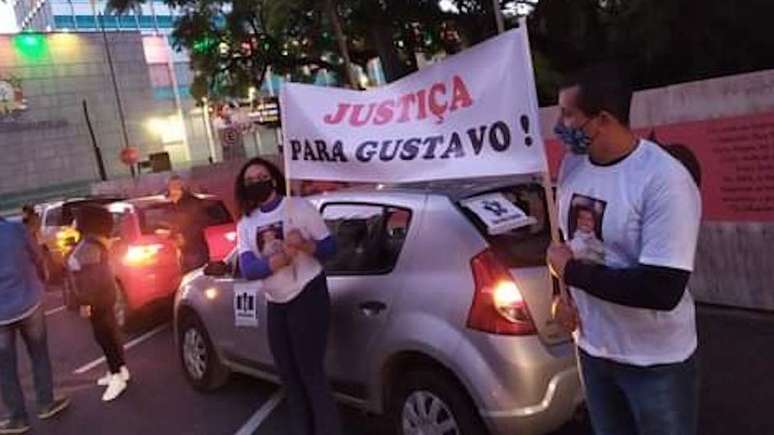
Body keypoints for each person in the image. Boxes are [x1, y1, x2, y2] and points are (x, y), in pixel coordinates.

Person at [547, 64, 702, 435]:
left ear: (602, 119)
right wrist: (561, 294)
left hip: (655, 362)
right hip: (592, 350)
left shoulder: (664, 180)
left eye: (568, 114)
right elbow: (569, 247)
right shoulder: (572, 166)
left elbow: (661, 289)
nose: (560, 123)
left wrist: (570, 273)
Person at [234, 157, 340, 435]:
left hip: (307, 295)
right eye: (249, 180)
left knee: (311, 374)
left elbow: (330, 249)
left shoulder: (299, 208)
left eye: (261, 176)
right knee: (288, 377)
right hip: (276, 303)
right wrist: (279, 260)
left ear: (273, 178)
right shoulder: (246, 223)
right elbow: (248, 269)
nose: (256, 182)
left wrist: (305, 245)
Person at [0, 217, 70, 434]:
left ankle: (17, 417)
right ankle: (46, 403)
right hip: (30, 300)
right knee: (39, 354)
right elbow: (37, 256)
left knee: (5, 367)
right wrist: (40, 280)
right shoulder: (16, 229)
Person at [67, 205, 130, 402]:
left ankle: (117, 377)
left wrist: (86, 302)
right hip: (103, 297)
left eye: (77, 219)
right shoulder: (93, 243)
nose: (73, 223)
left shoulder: (90, 247)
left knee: (104, 337)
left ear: (88, 223)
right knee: (108, 334)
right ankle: (120, 370)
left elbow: (91, 279)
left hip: (97, 299)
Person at [166, 175, 211, 273]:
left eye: (177, 186)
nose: (174, 189)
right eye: (172, 186)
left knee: (196, 274)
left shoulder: (192, 203)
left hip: (194, 249)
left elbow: (199, 222)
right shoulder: (172, 205)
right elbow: (173, 224)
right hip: (182, 251)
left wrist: (184, 237)